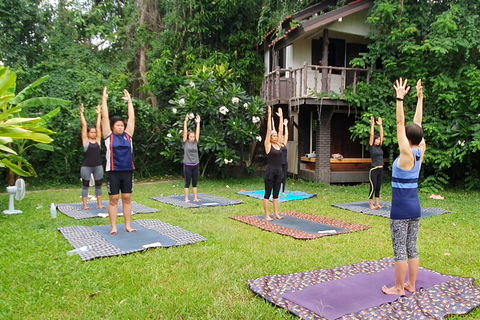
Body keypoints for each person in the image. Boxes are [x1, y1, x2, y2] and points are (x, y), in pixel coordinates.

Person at [382, 78, 426, 295]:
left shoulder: (407, 154)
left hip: (400, 210)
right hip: (416, 209)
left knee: (400, 248)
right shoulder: (420, 150)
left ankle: (399, 287)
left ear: (407, 139)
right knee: (412, 248)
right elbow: (417, 125)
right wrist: (420, 98)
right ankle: (411, 284)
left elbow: (401, 125)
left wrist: (400, 98)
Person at [101, 86, 136, 235]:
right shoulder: (108, 137)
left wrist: (129, 102)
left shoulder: (128, 136)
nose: (121, 127)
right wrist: (104, 100)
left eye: (122, 125)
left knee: (127, 198)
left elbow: (132, 118)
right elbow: (104, 118)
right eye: (118, 125)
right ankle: (114, 227)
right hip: (113, 172)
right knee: (114, 199)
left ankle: (128, 225)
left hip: (127, 171)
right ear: (113, 127)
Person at [80, 103, 106, 210]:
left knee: (99, 185)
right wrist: (82, 113)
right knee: (85, 185)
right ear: (88, 133)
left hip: (98, 166)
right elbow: (84, 126)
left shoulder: (98, 141)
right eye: (91, 132)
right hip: (87, 166)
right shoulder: (86, 141)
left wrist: (99, 114)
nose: (94, 133)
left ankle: (99, 204)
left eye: (95, 132)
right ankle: (85, 205)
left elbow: (99, 126)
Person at [264, 106, 284, 221]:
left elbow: (281, 130)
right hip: (270, 171)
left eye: (276, 136)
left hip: (279, 170)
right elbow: (268, 130)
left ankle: (276, 213)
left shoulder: (279, 145)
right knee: (268, 194)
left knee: (276, 194)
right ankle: (267, 215)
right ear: (270, 138)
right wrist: (269, 114)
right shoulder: (268, 146)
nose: (276, 137)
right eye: (274, 136)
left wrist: (281, 117)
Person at [182, 113, 201, 202]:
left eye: (193, 137)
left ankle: (195, 198)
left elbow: (198, 133)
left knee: (195, 183)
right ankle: (186, 198)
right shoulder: (185, 143)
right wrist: (186, 121)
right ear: (188, 137)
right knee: (187, 182)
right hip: (187, 165)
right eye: (191, 136)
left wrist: (198, 123)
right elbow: (185, 132)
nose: (193, 138)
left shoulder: (195, 143)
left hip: (195, 165)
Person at [368, 116, 385, 209]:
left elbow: (382, 135)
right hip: (374, 169)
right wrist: (372, 124)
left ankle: (377, 203)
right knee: (373, 187)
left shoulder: (379, 147)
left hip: (381, 169)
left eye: (379, 140)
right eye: (376, 139)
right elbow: (371, 135)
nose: (378, 141)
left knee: (378, 187)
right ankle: (371, 204)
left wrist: (381, 125)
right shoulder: (372, 146)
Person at [280, 118, 289, 197]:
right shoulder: (277, 145)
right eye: (281, 138)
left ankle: (283, 192)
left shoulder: (284, 144)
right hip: (278, 163)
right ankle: (277, 191)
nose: (283, 139)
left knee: (284, 177)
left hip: (285, 162)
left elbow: (286, 135)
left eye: (283, 138)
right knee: (279, 177)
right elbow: (281, 133)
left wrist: (285, 125)